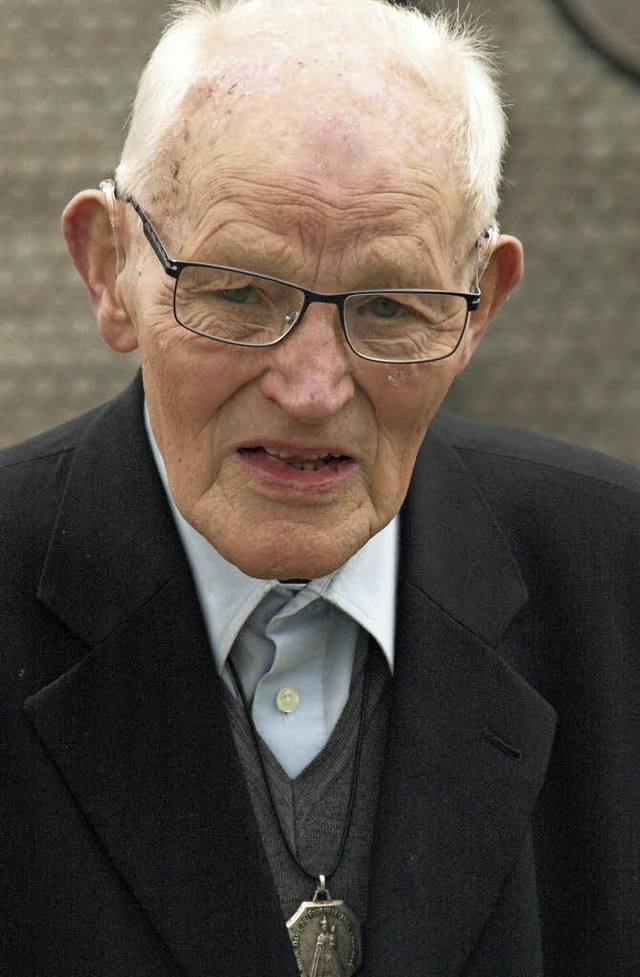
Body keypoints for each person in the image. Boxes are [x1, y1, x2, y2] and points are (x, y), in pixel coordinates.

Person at [1, 0, 639, 974]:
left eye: (390, 307)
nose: (310, 388)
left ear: (481, 309)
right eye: (238, 291)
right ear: (108, 268)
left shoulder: (617, 581)